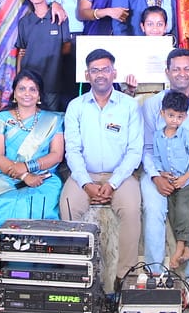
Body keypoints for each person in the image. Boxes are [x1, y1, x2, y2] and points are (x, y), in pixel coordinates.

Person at [140, 48, 189, 309]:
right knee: (153, 208)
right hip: (159, 171)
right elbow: (146, 148)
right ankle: (155, 273)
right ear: (167, 72)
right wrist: (155, 176)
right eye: (176, 69)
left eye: (186, 69)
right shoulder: (152, 106)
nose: (181, 74)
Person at [61, 48, 144, 280]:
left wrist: (113, 183)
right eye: (95, 70)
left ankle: (124, 276)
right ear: (87, 75)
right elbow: (72, 150)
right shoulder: (76, 106)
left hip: (121, 175)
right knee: (68, 207)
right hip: (84, 174)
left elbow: (134, 151)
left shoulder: (129, 105)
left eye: (105, 70)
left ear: (114, 73)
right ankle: (77, 273)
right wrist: (86, 183)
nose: (100, 75)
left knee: (131, 210)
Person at [0, 69, 65, 256]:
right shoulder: (1, 119)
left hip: (44, 177)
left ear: (39, 95)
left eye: (32, 89)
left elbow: (56, 155)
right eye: (22, 89)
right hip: (5, 175)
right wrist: (24, 175)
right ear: (14, 93)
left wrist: (28, 167)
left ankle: (37, 262)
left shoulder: (53, 120)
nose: (27, 93)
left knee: (39, 201)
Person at [150, 90, 189, 270]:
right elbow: (156, 157)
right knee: (171, 210)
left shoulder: (185, 134)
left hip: (186, 180)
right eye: (171, 115)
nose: (175, 120)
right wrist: (161, 172)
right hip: (171, 180)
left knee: (182, 207)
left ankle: (180, 247)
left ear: (185, 117)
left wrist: (185, 178)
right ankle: (186, 249)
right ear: (162, 113)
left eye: (179, 117)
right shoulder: (157, 136)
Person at [15, 0, 74, 112]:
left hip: (53, 81)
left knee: (50, 116)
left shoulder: (60, 17)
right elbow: (22, 51)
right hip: (30, 83)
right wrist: (18, 79)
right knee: (30, 115)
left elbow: (66, 47)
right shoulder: (24, 22)